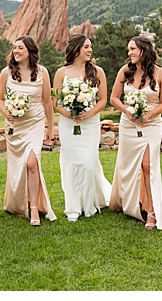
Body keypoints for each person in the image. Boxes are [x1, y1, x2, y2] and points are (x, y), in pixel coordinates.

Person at [108, 36, 162, 230]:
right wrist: (127, 111)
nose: (129, 53)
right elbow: (114, 98)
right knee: (129, 166)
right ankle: (132, 202)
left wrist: (148, 115)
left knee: (147, 164)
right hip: (128, 124)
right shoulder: (125, 71)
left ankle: (152, 211)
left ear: (143, 50)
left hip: (151, 124)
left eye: (132, 49)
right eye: (128, 50)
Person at [0, 36, 57, 226]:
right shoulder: (6, 73)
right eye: (14, 48)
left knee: (32, 163)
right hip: (16, 126)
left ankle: (33, 209)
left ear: (30, 51)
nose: (16, 51)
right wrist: (7, 113)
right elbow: (0, 99)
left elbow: (47, 101)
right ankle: (17, 202)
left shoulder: (42, 72)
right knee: (18, 166)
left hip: (35, 123)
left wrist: (50, 126)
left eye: (20, 48)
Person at [52, 34, 112, 221]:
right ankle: (74, 207)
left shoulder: (97, 72)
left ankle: (89, 205)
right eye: (86, 46)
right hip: (68, 124)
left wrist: (88, 113)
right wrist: (68, 113)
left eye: (90, 47)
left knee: (87, 163)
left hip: (90, 124)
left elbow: (103, 100)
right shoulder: (61, 73)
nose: (89, 50)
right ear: (76, 48)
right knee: (71, 165)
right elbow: (55, 101)